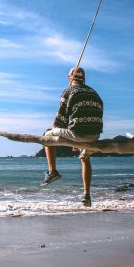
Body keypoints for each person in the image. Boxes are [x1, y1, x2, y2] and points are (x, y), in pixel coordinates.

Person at [41, 67, 103, 207]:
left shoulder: (68, 91)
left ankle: (52, 171)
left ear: (70, 78)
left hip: (78, 134)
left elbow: (60, 121)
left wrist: (57, 126)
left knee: (46, 135)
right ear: (84, 79)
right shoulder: (94, 92)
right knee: (85, 158)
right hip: (94, 135)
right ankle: (86, 195)